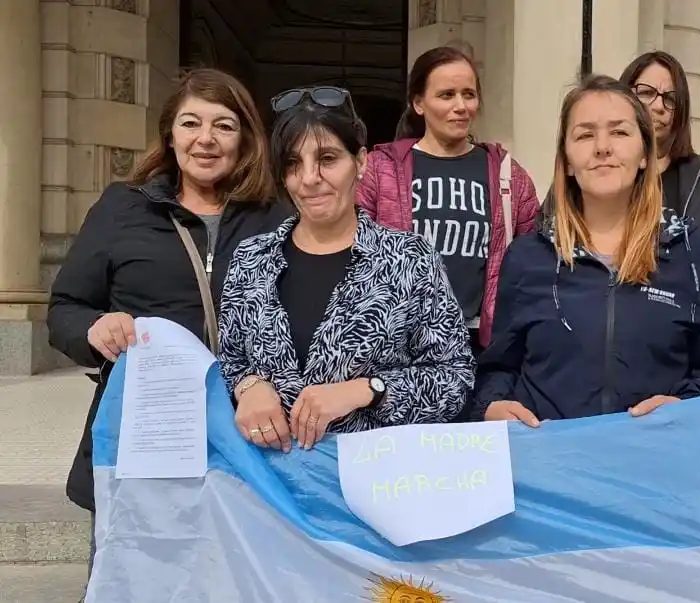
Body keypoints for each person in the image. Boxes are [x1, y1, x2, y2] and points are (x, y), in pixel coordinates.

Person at [46, 68, 288, 584]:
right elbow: (65, 308)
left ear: (245, 137)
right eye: (191, 122)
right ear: (169, 134)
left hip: (246, 438)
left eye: (224, 125)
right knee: (134, 582)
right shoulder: (122, 208)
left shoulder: (276, 216)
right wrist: (94, 329)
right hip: (144, 436)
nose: (206, 139)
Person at [472, 74, 700, 426]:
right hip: (551, 466)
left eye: (619, 132)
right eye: (585, 134)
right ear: (568, 161)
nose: (602, 147)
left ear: (645, 153)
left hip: (654, 463)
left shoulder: (694, 254)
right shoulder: (528, 258)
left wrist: (686, 404)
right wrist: (493, 404)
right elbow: (498, 367)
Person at [218, 88, 474, 450]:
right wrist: (249, 387)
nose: (309, 178)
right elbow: (229, 361)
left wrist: (368, 390)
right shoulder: (251, 260)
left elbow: (454, 379)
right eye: (293, 164)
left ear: (362, 161)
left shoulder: (408, 260)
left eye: (327, 158)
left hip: (372, 484)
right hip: (268, 485)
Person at [357, 45, 540, 362]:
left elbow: (534, 263)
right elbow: (351, 255)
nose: (461, 106)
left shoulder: (508, 175)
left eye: (469, 94)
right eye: (446, 95)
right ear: (418, 103)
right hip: (398, 345)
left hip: (480, 348)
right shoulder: (380, 168)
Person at [619, 51, 700, 312]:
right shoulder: (599, 170)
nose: (658, 106)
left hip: (688, 333)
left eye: (670, 98)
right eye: (646, 92)